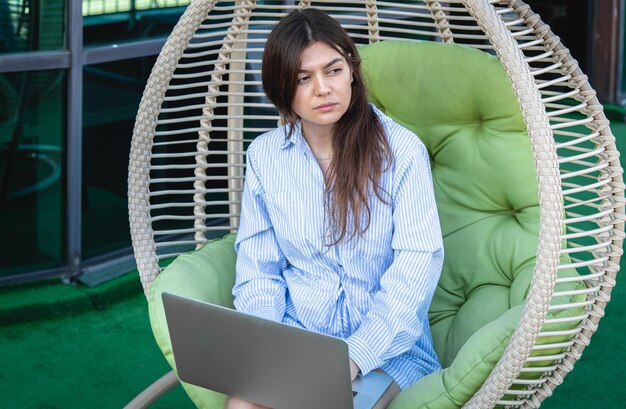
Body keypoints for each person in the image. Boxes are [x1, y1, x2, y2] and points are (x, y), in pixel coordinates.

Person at [227, 8, 444, 409]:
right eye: (302, 78)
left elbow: (416, 267)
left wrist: (354, 357)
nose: (323, 89)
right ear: (280, 89)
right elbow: (258, 269)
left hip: (387, 350)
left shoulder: (402, 152)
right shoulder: (264, 156)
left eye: (334, 70)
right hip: (299, 338)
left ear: (352, 71)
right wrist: (269, 346)